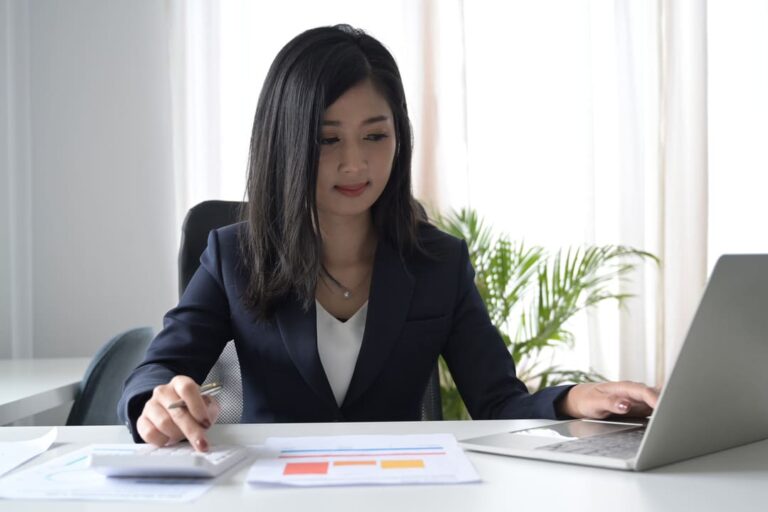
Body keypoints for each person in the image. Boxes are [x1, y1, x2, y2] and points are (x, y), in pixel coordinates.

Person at [118, 24, 658, 451]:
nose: (355, 163)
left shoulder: (438, 262)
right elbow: (159, 369)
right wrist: (155, 404)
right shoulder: (234, 256)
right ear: (286, 144)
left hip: (401, 489)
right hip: (271, 492)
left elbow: (497, 402)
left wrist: (572, 401)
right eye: (327, 140)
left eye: (375, 135)